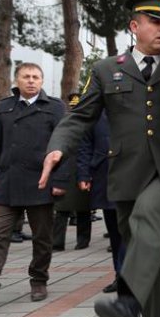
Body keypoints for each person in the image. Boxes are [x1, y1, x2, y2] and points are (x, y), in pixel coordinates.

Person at [41, 0, 160, 317]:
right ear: (133, 26)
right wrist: (58, 148)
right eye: (156, 22)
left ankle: (126, 300)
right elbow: (79, 117)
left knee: (147, 222)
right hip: (125, 176)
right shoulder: (107, 69)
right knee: (146, 253)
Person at [0, 63, 68, 307]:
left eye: (36, 77)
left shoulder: (54, 107)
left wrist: (59, 180)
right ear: (17, 80)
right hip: (8, 183)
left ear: (42, 81)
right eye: (26, 76)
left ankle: (38, 280)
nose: (31, 81)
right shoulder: (4, 108)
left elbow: (65, 146)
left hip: (41, 182)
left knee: (42, 237)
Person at [76, 111, 122, 293]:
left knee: (132, 231)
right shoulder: (96, 115)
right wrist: (83, 174)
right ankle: (120, 275)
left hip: (133, 178)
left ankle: (133, 276)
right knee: (115, 233)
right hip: (105, 177)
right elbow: (85, 145)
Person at [52, 93, 92, 251]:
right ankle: (58, 242)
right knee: (62, 209)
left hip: (81, 169)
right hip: (65, 169)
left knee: (83, 209)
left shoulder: (88, 122)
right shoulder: (63, 123)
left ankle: (82, 241)